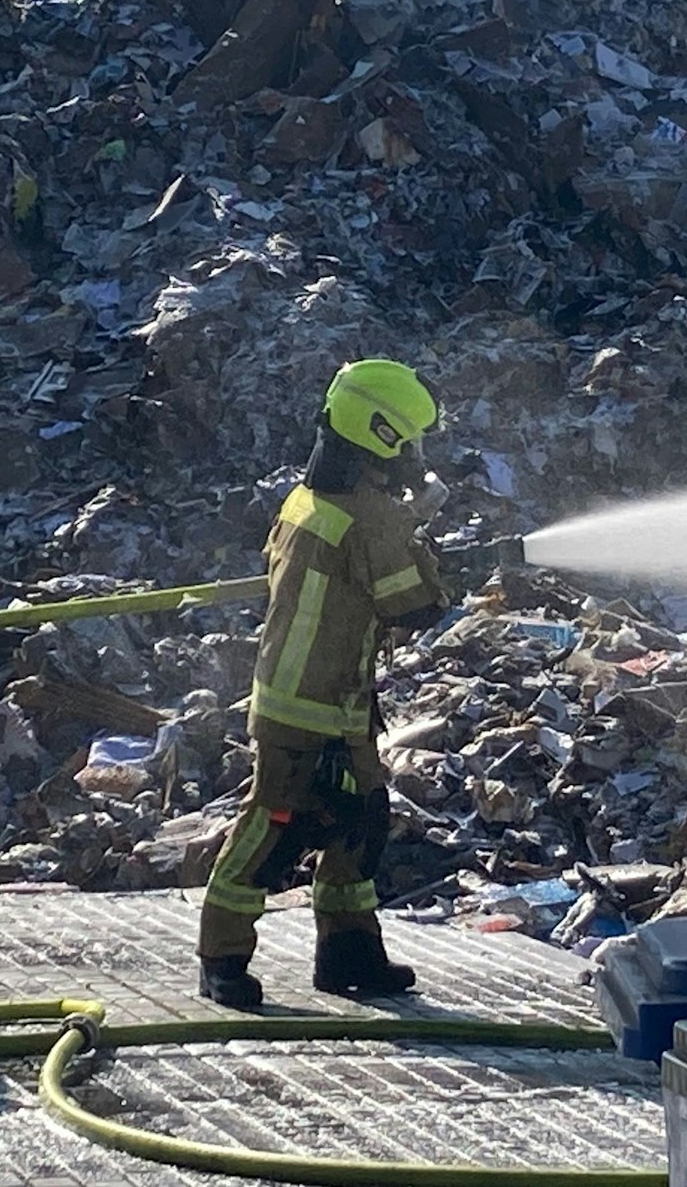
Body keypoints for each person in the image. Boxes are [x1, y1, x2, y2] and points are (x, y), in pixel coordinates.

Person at [197, 360, 452, 1009]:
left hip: (328, 705)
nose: (414, 457)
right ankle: (222, 957)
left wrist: (404, 526)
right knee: (275, 824)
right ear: (381, 437)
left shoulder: (306, 499)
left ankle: (349, 953)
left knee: (359, 822)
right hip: (308, 708)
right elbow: (414, 608)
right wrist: (418, 534)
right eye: (409, 443)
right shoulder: (368, 519)